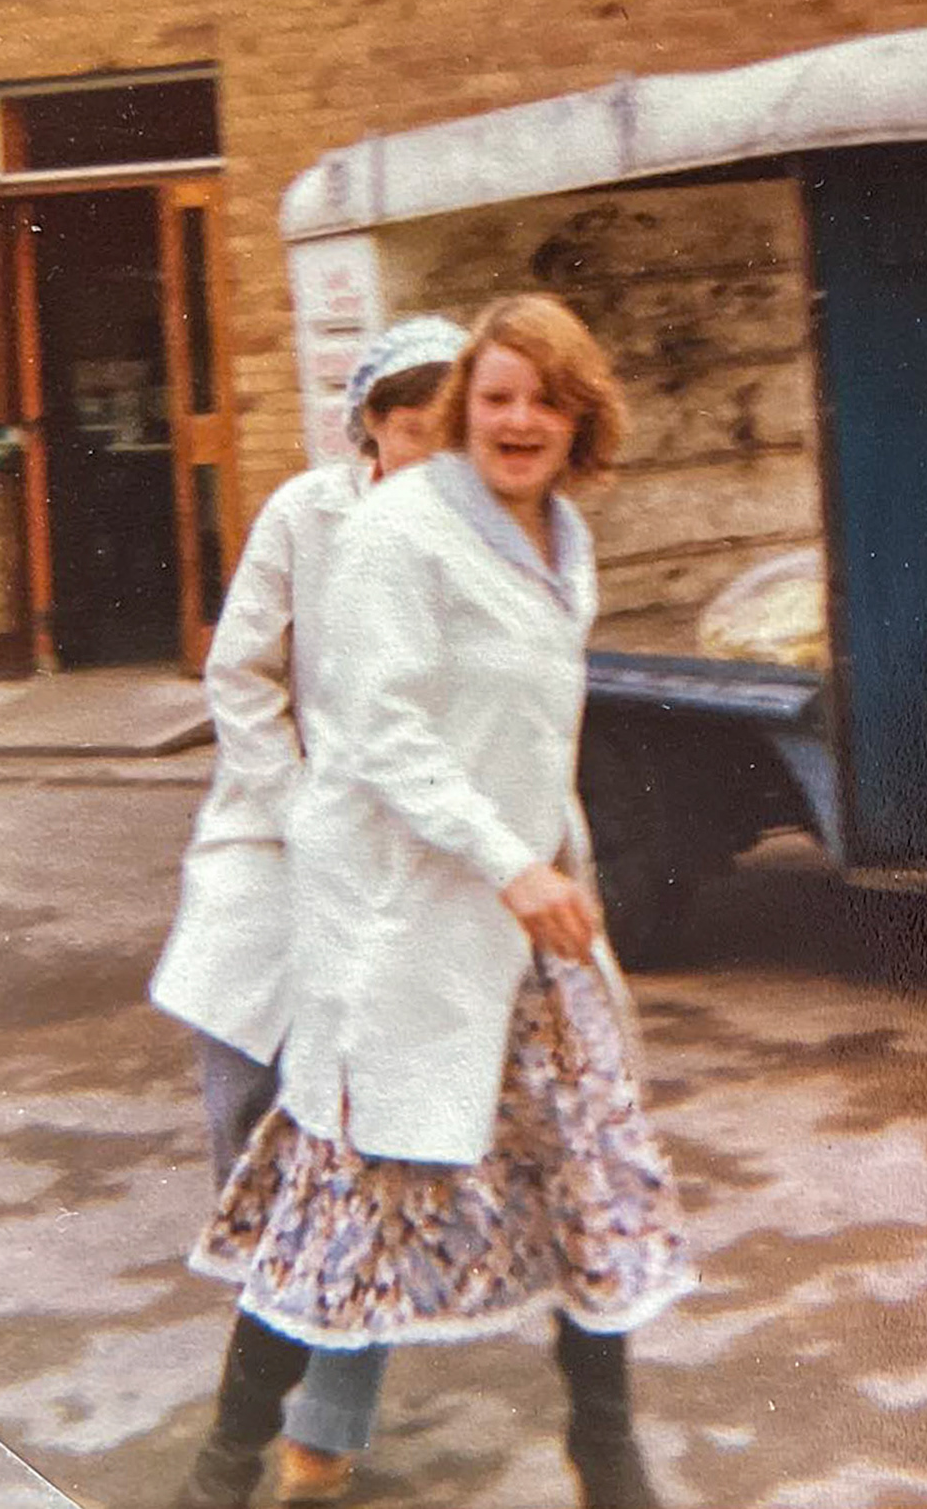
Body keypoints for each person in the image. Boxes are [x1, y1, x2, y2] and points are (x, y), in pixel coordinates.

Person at [190, 294, 690, 1509]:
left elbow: (534, 738)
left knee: (588, 1178)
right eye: (497, 397)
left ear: (582, 417)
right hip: (404, 926)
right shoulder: (398, 531)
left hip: (531, 935)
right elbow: (381, 731)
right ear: (464, 411)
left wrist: (553, 873)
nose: (521, 421)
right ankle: (221, 1473)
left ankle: (610, 1462)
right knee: (338, 1218)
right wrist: (508, 862)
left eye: (546, 400)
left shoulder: (562, 537)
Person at [152, 315, 468, 1508]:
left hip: (402, 876)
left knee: (361, 1153)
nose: (427, 452)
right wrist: (300, 811)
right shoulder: (304, 515)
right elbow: (241, 673)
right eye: (408, 427)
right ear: (368, 427)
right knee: (249, 1136)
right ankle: (282, 1361)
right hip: (269, 852)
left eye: (450, 432)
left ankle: (315, 1444)